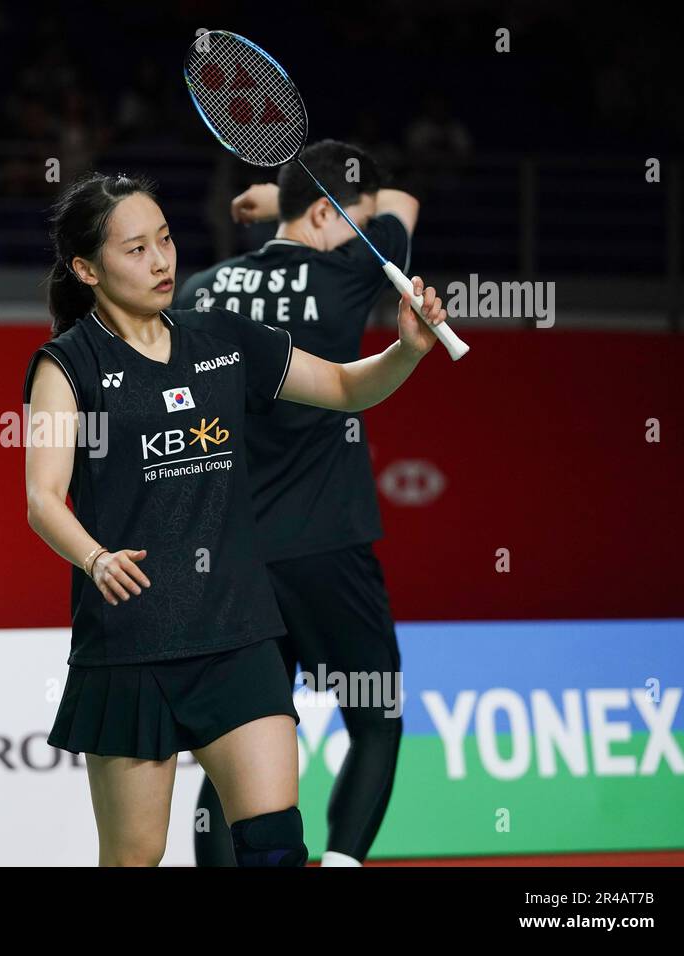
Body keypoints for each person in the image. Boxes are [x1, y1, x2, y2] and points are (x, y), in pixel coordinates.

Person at [22, 171, 444, 866]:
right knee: (135, 857)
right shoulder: (66, 367)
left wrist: (406, 350)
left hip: (238, 632)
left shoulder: (222, 338)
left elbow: (342, 387)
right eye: (135, 250)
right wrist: (95, 558)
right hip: (134, 644)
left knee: (276, 844)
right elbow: (42, 498)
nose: (161, 262)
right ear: (86, 268)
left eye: (164, 240)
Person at [178, 140, 420, 867]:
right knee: (376, 720)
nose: (366, 228)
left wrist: (276, 206)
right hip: (326, 549)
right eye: (356, 217)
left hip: (227, 561)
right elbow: (404, 203)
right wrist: (270, 197)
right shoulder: (346, 272)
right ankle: (343, 863)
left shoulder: (200, 289)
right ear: (325, 212)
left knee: (242, 748)